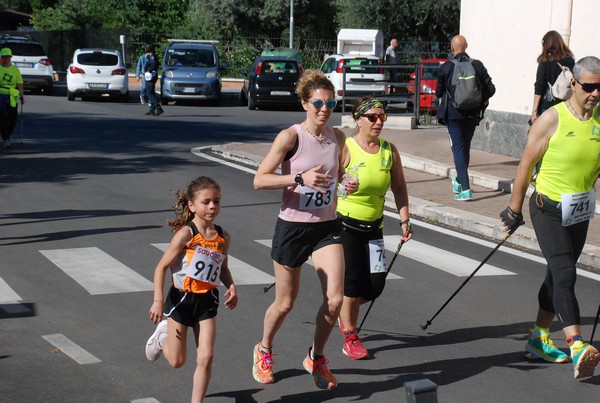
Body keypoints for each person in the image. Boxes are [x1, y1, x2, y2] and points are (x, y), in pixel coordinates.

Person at [252, 70, 355, 390]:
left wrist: (346, 182)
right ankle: (264, 348)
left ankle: (316, 357)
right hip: (293, 227)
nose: (325, 109)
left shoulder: (337, 137)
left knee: (336, 298)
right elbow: (260, 179)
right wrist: (298, 179)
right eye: (318, 103)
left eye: (331, 103)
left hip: (326, 226)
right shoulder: (290, 136)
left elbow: (339, 175)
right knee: (285, 302)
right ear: (304, 104)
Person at [500, 56, 600, 380]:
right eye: (589, 86)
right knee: (565, 272)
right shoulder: (551, 119)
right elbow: (526, 165)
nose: (595, 93)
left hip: (580, 209)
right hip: (547, 207)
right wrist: (514, 208)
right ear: (574, 84)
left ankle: (538, 338)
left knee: (556, 276)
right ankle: (576, 346)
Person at [145, 176, 238, 402]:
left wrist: (232, 286)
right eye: (206, 202)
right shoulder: (186, 234)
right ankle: (162, 337)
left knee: (206, 356)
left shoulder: (223, 236)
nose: (212, 206)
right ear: (192, 205)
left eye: (216, 201)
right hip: (181, 300)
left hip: (207, 300)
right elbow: (161, 267)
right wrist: (158, 300)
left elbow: (223, 268)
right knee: (177, 361)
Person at [336, 97, 413, 360]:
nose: (378, 121)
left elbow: (399, 187)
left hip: (374, 227)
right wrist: (341, 185)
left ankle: (343, 311)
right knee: (354, 284)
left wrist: (405, 219)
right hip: (345, 225)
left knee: (375, 286)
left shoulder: (389, 150)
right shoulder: (345, 148)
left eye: (382, 117)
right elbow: (328, 183)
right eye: (372, 117)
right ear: (358, 120)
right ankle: (349, 334)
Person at [435, 35, 496, 201]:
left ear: (452, 48)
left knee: (458, 148)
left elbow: (439, 92)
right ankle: (460, 181)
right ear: (466, 46)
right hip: (472, 113)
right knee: (465, 147)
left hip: (453, 114)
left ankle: (466, 189)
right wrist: (481, 98)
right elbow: (491, 88)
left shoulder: (446, 67)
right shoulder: (477, 65)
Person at [530, 30, 575, 125]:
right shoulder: (570, 60)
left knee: (543, 134)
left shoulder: (545, 61)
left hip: (548, 104)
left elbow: (539, 85)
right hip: (565, 105)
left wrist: (534, 110)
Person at [0, 47, 24, 150]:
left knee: (12, 119)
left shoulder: (15, 69)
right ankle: (5, 139)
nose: (6, 59)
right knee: (2, 118)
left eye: (8, 57)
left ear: (11, 58)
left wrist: (22, 96)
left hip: (12, 96)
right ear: (1, 58)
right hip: (1, 95)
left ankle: (9, 135)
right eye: (4, 57)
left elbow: (19, 84)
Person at [143, 44, 163, 116]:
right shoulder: (149, 55)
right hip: (151, 76)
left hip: (151, 76)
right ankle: (152, 110)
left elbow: (153, 64)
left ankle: (158, 107)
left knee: (148, 93)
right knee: (151, 92)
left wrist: (149, 70)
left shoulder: (152, 56)